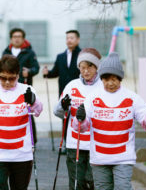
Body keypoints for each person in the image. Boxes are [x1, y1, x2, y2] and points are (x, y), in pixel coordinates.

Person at [74, 52, 146, 190]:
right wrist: (79, 118)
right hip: (99, 157)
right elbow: (81, 127)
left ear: (120, 79)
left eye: (114, 79)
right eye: (106, 79)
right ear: (101, 79)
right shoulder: (93, 98)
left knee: (123, 187)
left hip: (123, 157)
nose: (110, 83)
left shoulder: (132, 98)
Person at [0, 55, 43, 190]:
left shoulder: (26, 90)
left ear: (18, 75)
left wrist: (33, 101)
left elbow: (38, 111)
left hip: (22, 154)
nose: (7, 82)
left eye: (12, 78)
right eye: (3, 78)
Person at [54, 48, 102, 190]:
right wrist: (63, 106)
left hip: (97, 143)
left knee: (93, 181)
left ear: (96, 67)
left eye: (90, 67)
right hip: (75, 143)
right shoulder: (72, 85)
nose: (86, 71)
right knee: (76, 182)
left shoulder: (103, 86)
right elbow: (57, 112)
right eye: (82, 67)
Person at [43, 29, 81, 153]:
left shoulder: (82, 55)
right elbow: (55, 72)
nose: (69, 40)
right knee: (65, 117)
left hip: (79, 92)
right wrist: (47, 73)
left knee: (79, 116)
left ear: (78, 40)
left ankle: (80, 143)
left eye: (72, 38)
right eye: (67, 38)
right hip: (64, 92)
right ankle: (66, 144)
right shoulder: (60, 56)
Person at [1, 28, 40, 143]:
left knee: (28, 112)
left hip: (24, 87)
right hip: (8, 87)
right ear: (11, 38)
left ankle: (33, 140)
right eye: (14, 36)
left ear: (23, 39)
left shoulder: (30, 52)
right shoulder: (6, 52)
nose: (17, 39)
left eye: (19, 37)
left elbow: (36, 68)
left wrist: (29, 71)